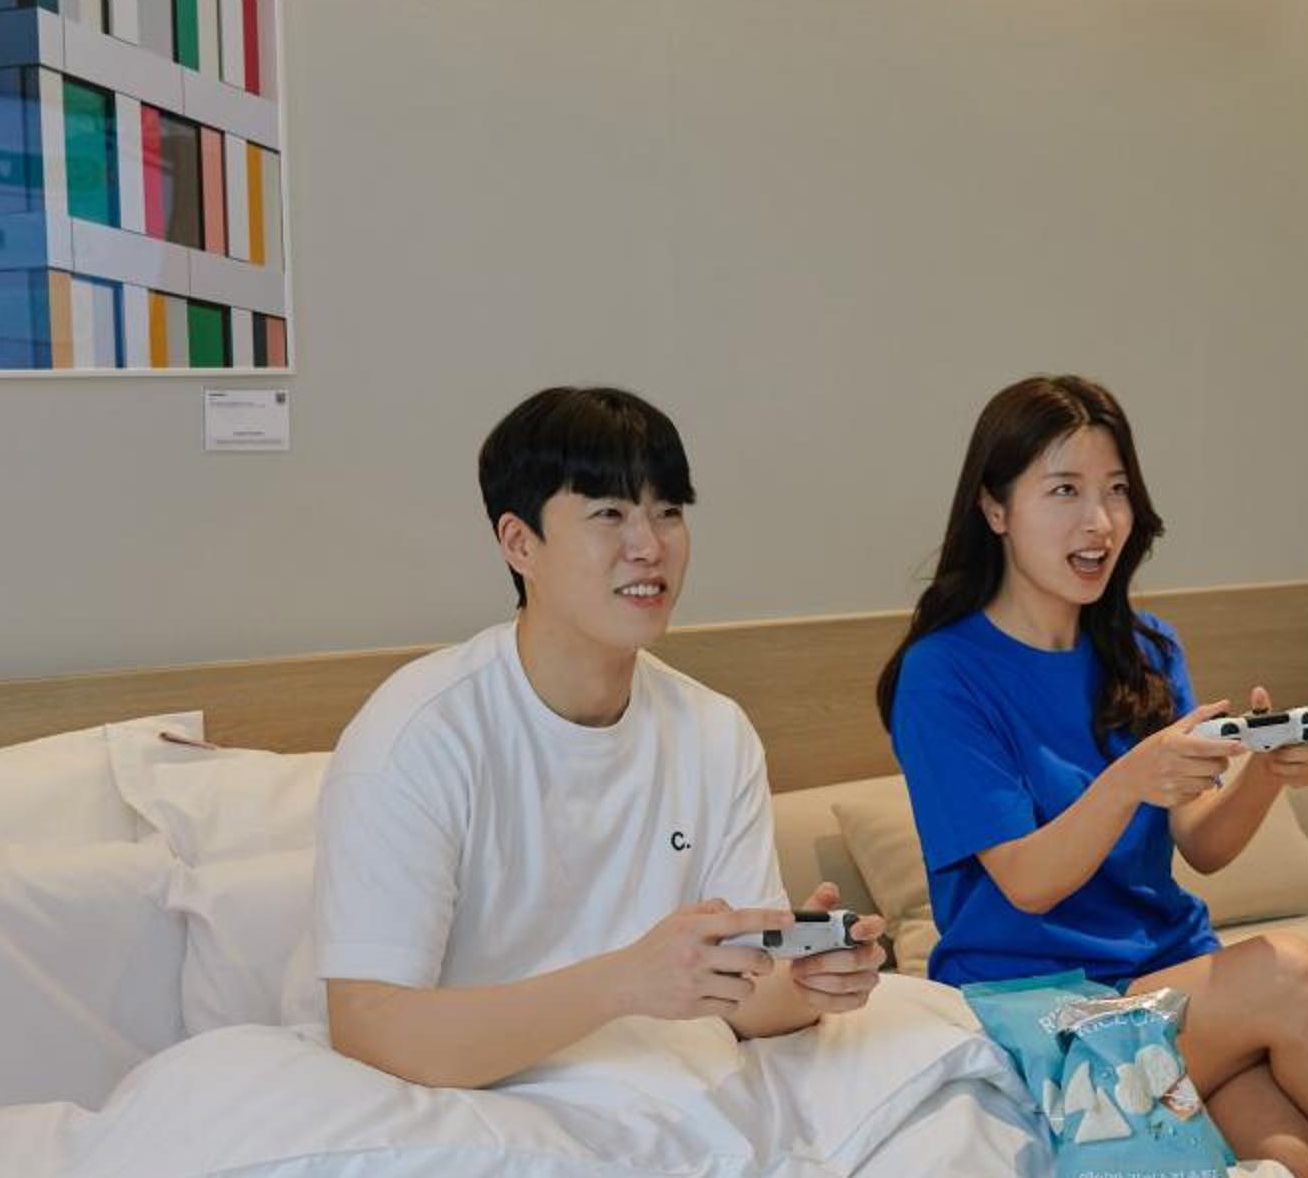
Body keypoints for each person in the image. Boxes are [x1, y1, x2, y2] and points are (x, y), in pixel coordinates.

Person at [876, 376, 1308, 1178]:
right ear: (994, 508)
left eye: (1116, 490)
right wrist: (1130, 779)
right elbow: (1028, 882)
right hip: (1039, 1012)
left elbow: (1204, 844)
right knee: (1293, 977)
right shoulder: (943, 674)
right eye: (1065, 491)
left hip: (1167, 986)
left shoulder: (1146, 648)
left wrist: (1265, 773)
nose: (1100, 521)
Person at [314, 385, 882, 1088]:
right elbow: (369, 1027)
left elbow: (738, 993)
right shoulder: (418, 733)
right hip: (467, 1104)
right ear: (519, 543)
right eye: (610, 513)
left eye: (668, 512)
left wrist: (806, 981)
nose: (649, 546)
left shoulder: (713, 730)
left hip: (662, 1092)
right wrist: (623, 983)